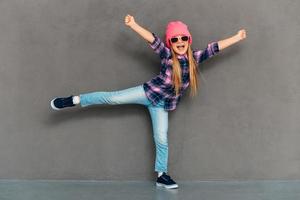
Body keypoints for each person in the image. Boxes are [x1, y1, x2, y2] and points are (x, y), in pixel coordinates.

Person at [50, 14, 247, 189]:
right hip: (147, 93)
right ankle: (74, 100)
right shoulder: (167, 55)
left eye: (183, 38)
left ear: (188, 40)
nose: (180, 42)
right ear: (170, 42)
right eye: (175, 39)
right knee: (112, 98)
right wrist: (133, 25)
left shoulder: (195, 58)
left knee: (161, 138)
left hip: (160, 106)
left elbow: (215, 48)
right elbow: (153, 40)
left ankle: (162, 176)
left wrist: (237, 38)